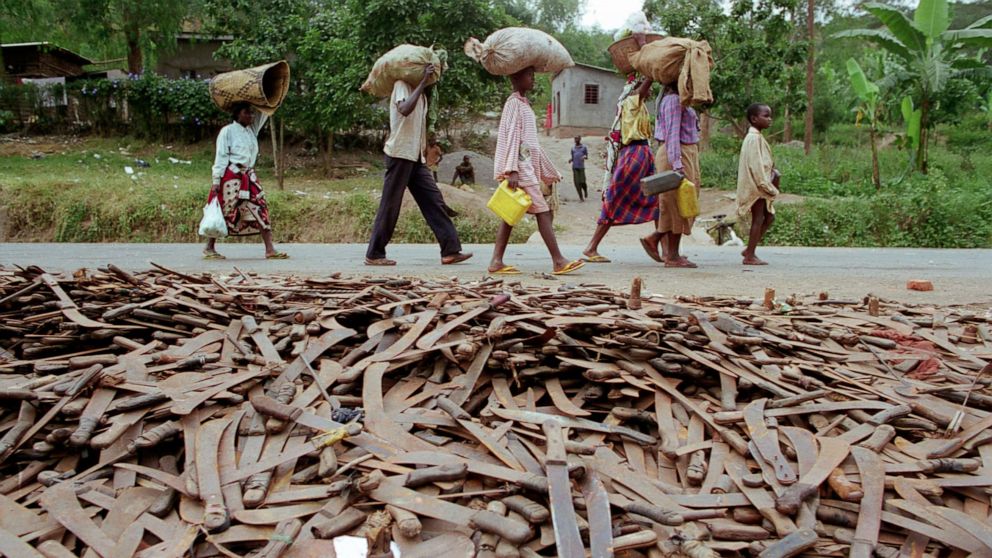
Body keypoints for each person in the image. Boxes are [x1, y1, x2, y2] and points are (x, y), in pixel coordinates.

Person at [365, 64, 472, 266]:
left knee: (434, 200)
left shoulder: (421, 94)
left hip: (415, 158)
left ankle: (450, 250)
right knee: (390, 205)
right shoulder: (402, 85)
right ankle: (375, 253)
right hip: (399, 154)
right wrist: (422, 83)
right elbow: (404, 109)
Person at [488, 66, 584, 276]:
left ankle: (496, 261)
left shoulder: (523, 103)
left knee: (510, 214)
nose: (533, 80)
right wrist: (512, 168)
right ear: (516, 77)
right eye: (529, 76)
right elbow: (513, 136)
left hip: (525, 165)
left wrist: (545, 168)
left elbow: (531, 142)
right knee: (542, 211)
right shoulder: (514, 104)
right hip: (521, 167)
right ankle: (558, 260)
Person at [582, 47, 659, 263]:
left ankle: (657, 242)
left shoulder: (638, 105)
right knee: (617, 200)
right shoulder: (631, 101)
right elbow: (644, 87)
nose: (648, 91)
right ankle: (591, 247)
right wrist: (651, 68)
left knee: (656, 199)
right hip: (634, 154)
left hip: (641, 154)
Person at [204, 102, 287, 260]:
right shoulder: (227, 132)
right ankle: (209, 246)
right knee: (224, 209)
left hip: (248, 177)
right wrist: (216, 180)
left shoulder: (251, 131)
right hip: (231, 177)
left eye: (251, 113)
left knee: (260, 207)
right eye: (247, 113)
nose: (251, 116)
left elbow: (264, 113)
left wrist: (267, 101)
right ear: (237, 114)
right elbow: (221, 156)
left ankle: (270, 249)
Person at [640, 82, 702, 268]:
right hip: (677, 154)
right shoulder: (674, 101)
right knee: (677, 203)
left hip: (684, 152)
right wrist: (677, 165)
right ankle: (672, 255)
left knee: (679, 201)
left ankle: (656, 239)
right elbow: (672, 135)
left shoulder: (678, 101)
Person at [737, 103, 779, 265]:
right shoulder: (754, 139)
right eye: (766, 116)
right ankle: (750, 255)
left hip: (759, 185)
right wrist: (767, 187)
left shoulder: (757, 137)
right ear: (754, 119)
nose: (770, 119)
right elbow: (756, 166)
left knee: (769, 217)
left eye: (770, 116)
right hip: (757, 187)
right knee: (759, 218)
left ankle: (749, 249)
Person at [568, 135, 589, 201]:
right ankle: (581, 197)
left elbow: (586, 156)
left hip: (581, 167)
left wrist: (584, 157)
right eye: (575, 139)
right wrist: (571, 160)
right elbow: (573, 156)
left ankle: (585, 190)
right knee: (577, 183)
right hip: (575, 167)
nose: (575, 140)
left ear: (580, 139)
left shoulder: (584, 147)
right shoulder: (573, 148)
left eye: (577, 138)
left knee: (582, 181)